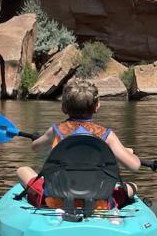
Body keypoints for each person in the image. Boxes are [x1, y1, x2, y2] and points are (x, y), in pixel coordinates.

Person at [16, 78, 142, 209]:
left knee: (23, 170)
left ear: (63, 107)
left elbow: (35, 147)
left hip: (56, 202)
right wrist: (127, 152)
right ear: (97, 106)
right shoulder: (107, 135)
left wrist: (46, 140)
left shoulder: (56, 130)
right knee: (132, 187)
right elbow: (135, 166)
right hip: (98, 204)